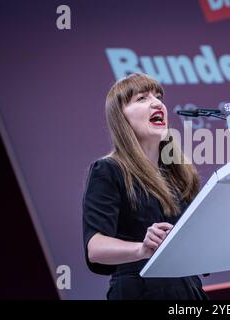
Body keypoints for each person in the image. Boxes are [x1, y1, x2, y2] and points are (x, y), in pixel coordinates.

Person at [82, 73, 208, 300]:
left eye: (158, 96)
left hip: (189, 292)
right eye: (141, 98)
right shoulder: (108, 170)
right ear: (122, 118)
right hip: (139, 291)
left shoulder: (181, 174)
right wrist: (142, 249)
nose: (157, 102)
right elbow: (96, 248)